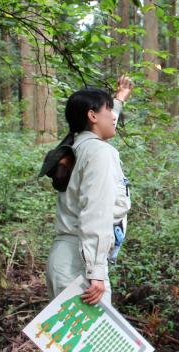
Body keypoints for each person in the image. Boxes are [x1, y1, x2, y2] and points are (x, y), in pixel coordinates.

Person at [46, 76, 133, 305]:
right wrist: (96, 272)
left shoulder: (79, 147)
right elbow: (96, 213)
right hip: (80, 266)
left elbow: (108, 118)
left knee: (67, 340)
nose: (113, 118)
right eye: (108, 111)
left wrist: (119, 98)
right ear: (93, 116)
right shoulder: (99, 152)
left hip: (68, 260)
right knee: (94, 340)